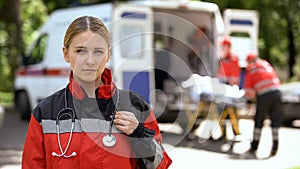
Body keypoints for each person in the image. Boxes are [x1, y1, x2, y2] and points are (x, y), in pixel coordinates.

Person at [22, 16, 172, 169]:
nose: (90, 60)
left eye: (98, 52)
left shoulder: (135, 106)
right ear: (66, 54)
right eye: (80, 51)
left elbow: (161, 165)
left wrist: (139, 134)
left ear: (108, 55)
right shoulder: (45, 112)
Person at [243, 52, 282, 158]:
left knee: (259, 121)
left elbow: (249, 89)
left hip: (264, 96)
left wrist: (249, 102)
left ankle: (254, 147)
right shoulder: (266, 64)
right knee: (275, 121)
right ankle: (275, 147)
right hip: (277, 93)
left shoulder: (251, 68)